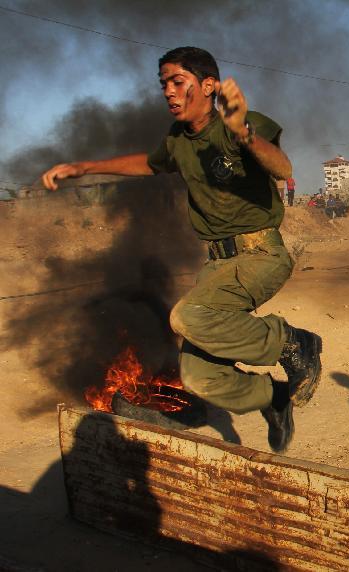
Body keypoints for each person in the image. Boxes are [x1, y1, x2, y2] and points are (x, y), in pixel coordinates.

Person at [41, 47, 322, 453]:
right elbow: (150, 163)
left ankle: (293, 343)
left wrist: (243, 131)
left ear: (208, 85)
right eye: (164, 84)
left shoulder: (238, 125)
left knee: (186, 316)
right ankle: (273, 398)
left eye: (178, 82)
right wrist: (86, 167)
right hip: (219, 263)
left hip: (260, 253)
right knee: (198, 377)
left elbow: (282, 168)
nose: (169, 92)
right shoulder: (178, 140)